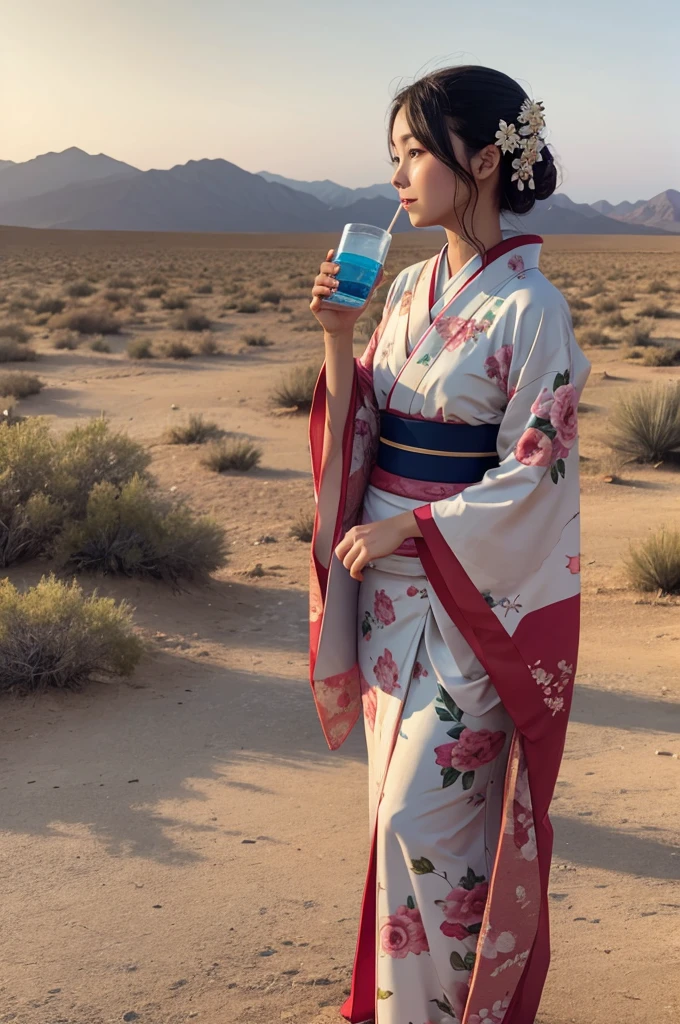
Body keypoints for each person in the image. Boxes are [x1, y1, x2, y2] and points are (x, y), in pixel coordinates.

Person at [307, 64, 591, 1024]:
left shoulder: (531, 310)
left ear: (481, 159)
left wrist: (414, 525)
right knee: (405, 829)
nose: (398, 175)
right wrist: (343, 340)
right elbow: (368, 431)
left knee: (416, 823)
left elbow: (535, 474)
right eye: (395, 156)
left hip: (469, 606)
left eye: (416, 152)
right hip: (391, 596)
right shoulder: (407, 290)